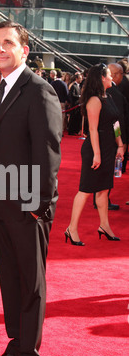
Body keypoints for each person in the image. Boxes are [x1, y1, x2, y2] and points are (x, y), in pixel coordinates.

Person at [0, 21, 62, 356]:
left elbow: (46, 154)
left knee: (31, 282)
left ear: (24, 50)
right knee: (10, 278)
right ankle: (16, 344)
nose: (1, 49)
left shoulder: (39, 90)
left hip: (27, 207)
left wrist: (37, 205)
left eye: (9, 43)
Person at [65, 64, 124, 246]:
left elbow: (115, 124)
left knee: (104, 189)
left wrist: (120, 144)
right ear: (101, 78)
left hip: (108, 148)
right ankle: (71, 228)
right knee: (85, 189)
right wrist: (97, 155)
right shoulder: (94, 100)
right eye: (108, 75)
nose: (112, 78)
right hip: (94, 148)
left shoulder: (109, 97)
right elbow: (92, 129)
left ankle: (104, 225)